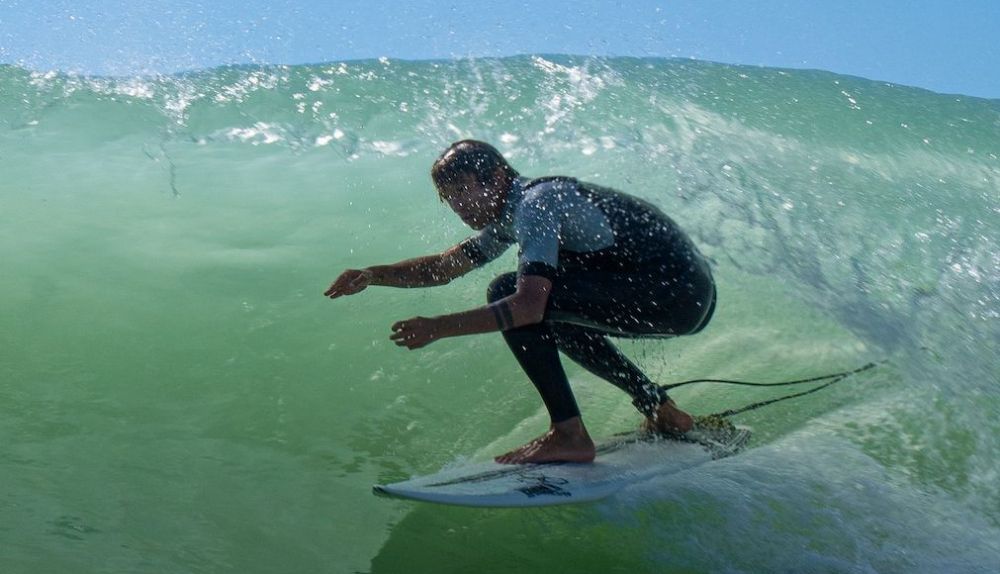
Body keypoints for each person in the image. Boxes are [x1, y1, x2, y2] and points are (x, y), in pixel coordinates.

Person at [324, 140, 716, 464]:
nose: (458, 205)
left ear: (496, 177)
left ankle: (568, 434)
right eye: (448, 198)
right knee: (551, 310)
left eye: (462, 190)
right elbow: (444, 267)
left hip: (674, 293)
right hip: (679, 296)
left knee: (511, 295)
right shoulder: (511, 213)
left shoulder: (536, 204)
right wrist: (373, 275)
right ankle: (662, 411)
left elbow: (525, 307)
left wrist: (437, 327)